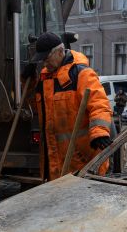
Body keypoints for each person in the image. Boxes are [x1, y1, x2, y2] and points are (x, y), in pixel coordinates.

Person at [24, 32, 112, 181]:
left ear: (59, 51)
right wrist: (28, 81)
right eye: (42, 60)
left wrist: (100, 132)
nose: (44, 64)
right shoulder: (45, 77)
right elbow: (35, 105)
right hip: (55, 163)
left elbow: (99, 104)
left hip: (82, 160)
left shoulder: (81, 74)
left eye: (46, 58)